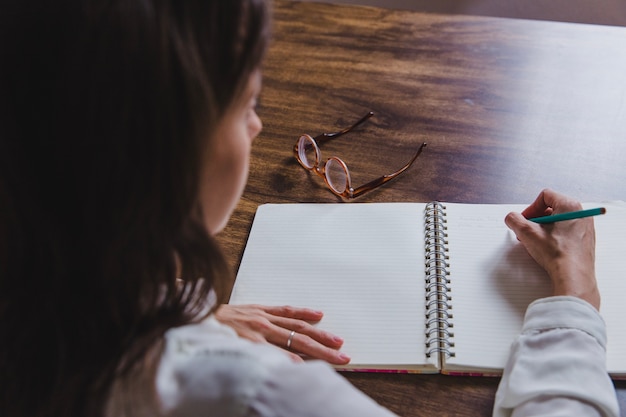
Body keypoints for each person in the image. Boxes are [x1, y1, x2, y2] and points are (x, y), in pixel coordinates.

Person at [0, 1, 618, 416]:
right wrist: (574, 304)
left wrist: (170, 312)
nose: (260, 123)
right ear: (157, 146)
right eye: (246, 101)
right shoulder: (266, 394)